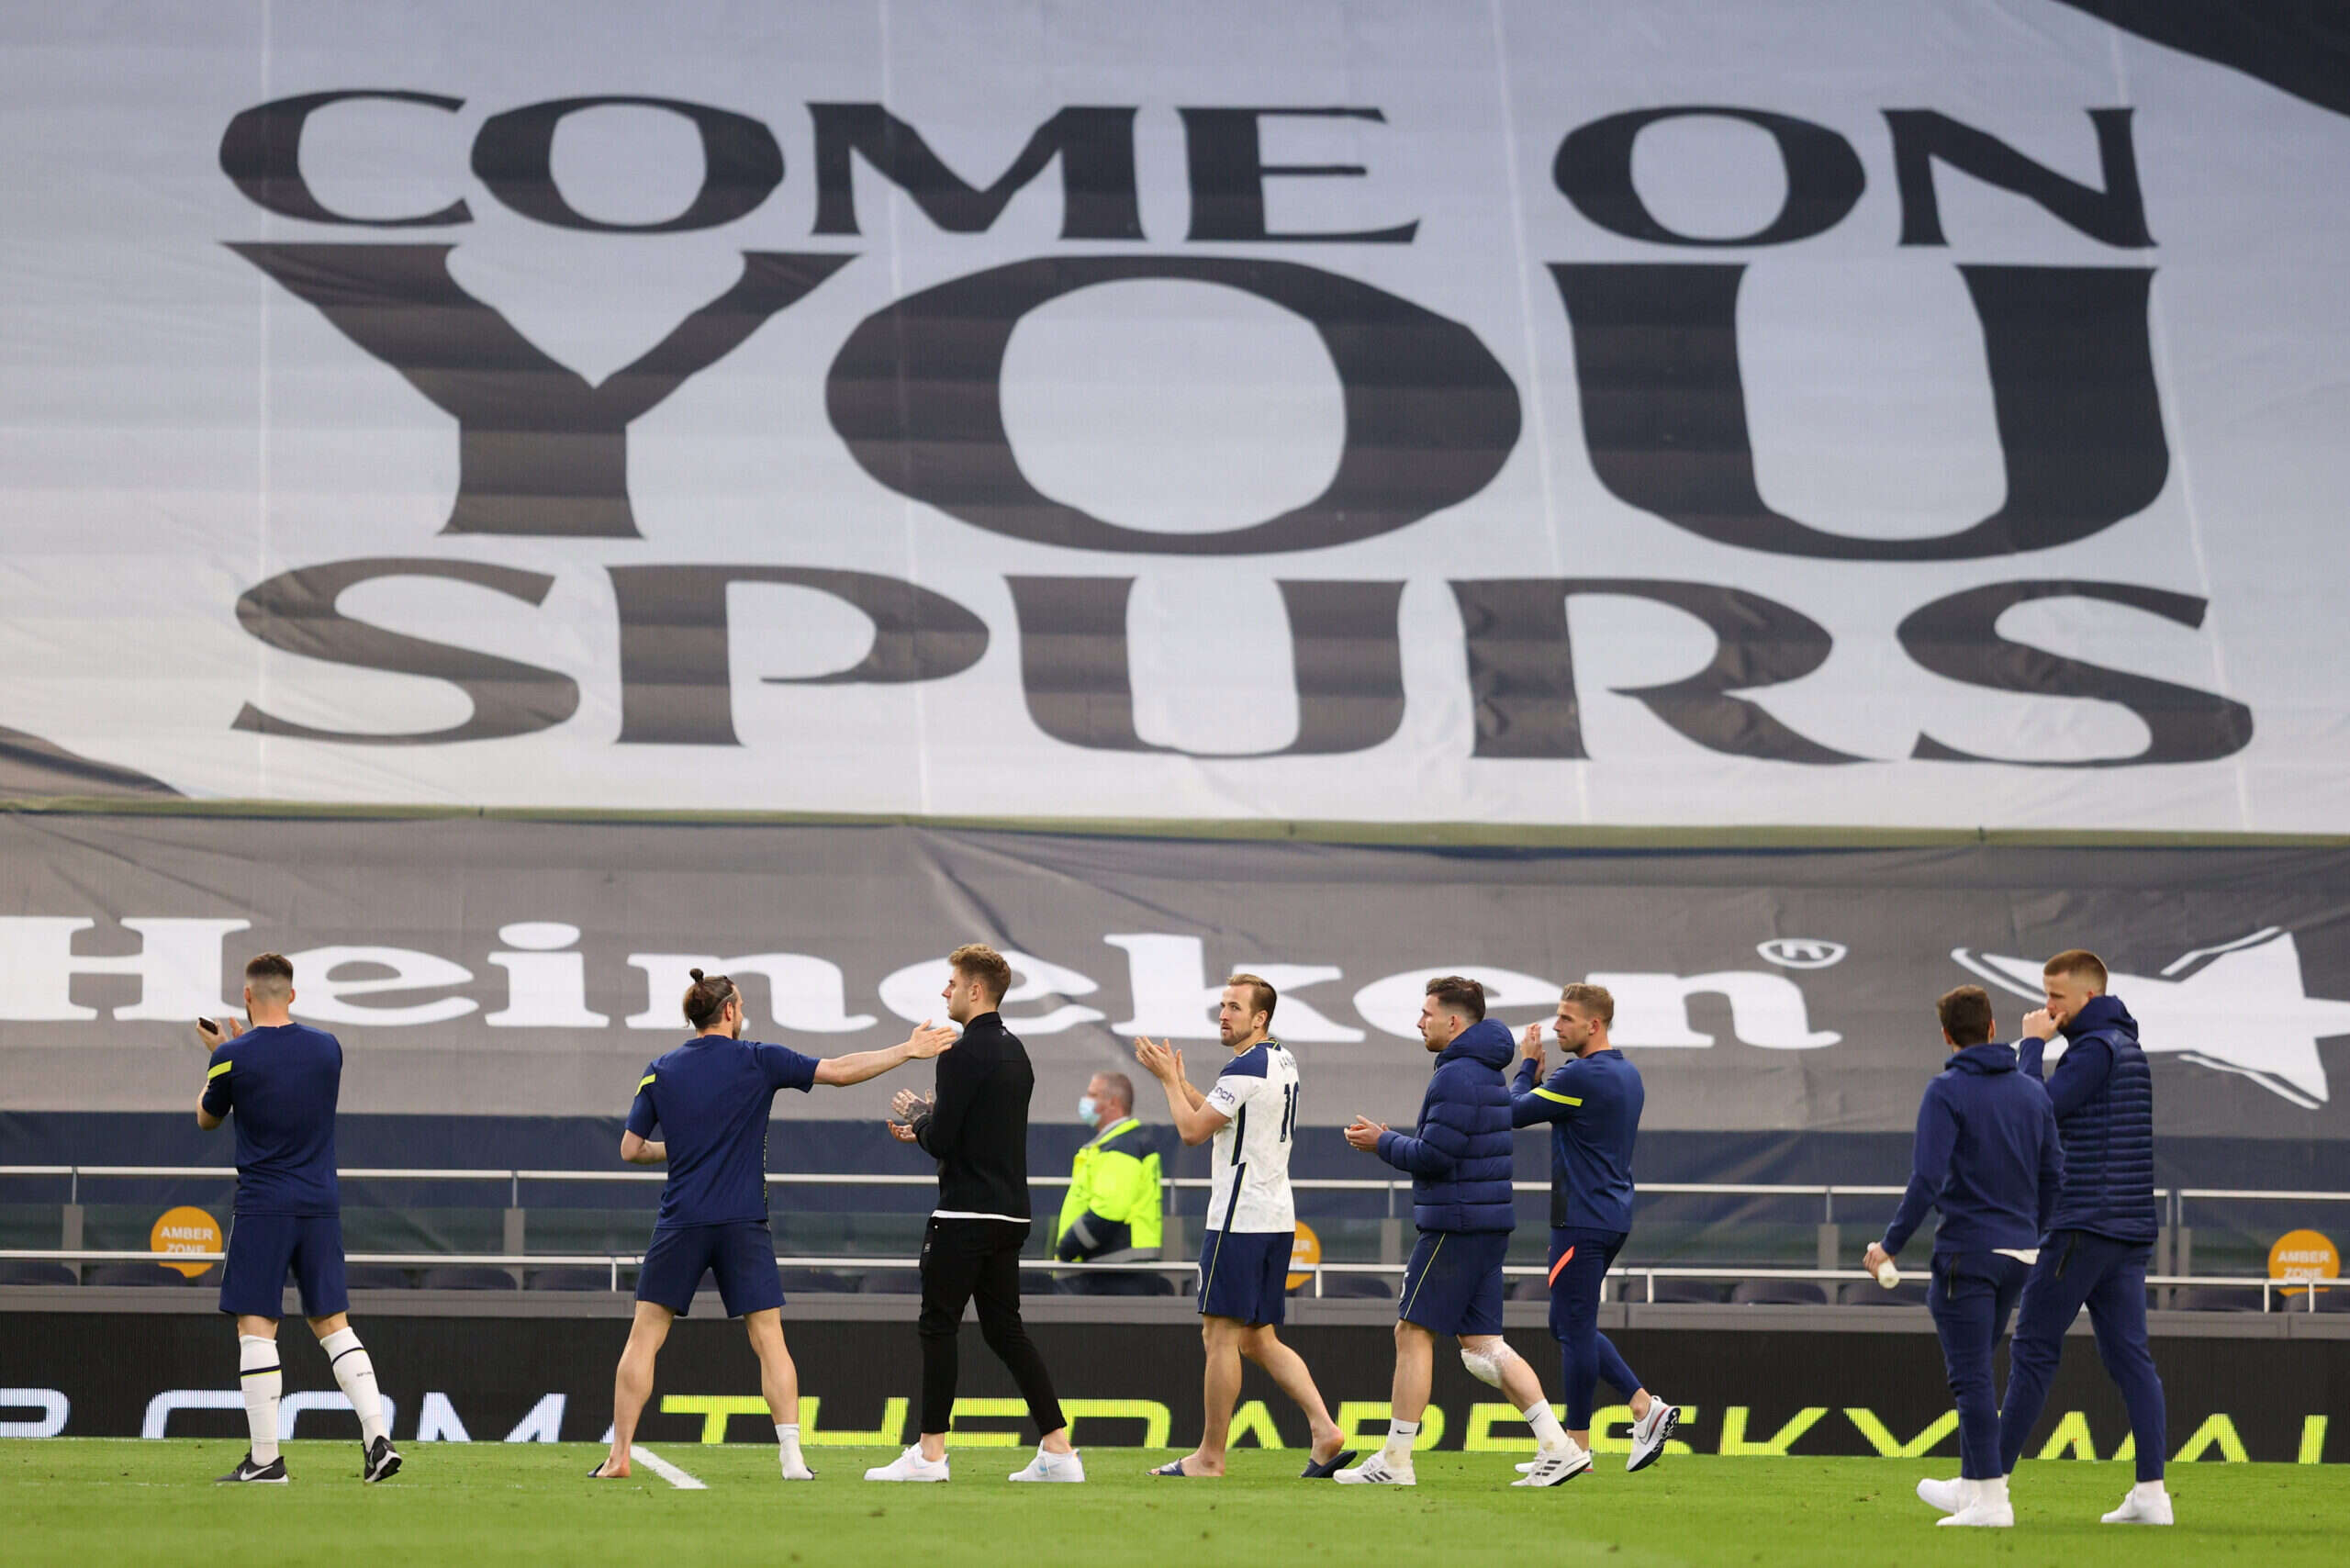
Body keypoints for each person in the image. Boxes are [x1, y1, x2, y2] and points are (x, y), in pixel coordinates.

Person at [592, 969, 954, 1482]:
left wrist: (679, 1150)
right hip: (743, 1221)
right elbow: (840, 1071)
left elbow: (631, 1149)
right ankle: (791, 1459)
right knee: (769, 1339)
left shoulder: (660, 1070)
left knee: (645, 1337)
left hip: (682, 1220)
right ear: (731, 1012)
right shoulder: (759, 1058)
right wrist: (908, 1050)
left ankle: (619, 1455)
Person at [1337, 976, 1588, 1487]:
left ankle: (1395, 1461)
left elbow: (1435, 1155)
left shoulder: (1456, 1076)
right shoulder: (1485, 1072)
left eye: (1426, 1013)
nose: (1418, 1021)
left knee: (1411, 1332)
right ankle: (1559, 1446)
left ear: (1454, 1021)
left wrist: (1382, 1142)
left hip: (1456, 1223)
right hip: (1486, 1222)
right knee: (1482, 1346)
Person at [871, 944, 1082, 1484]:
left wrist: (921, 1117)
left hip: (964, 1216)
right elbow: (980, 1129)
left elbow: (942, 1141)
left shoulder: (960, 1055)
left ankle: (930, 1455)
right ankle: (1059, 1452)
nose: (945, 991)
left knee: (938, 1327)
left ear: (974, 990)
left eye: (951, 983)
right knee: (1005, 1330)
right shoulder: (1017, 1052)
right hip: (1011, 1215)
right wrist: (935, 1118)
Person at [1133, 973, 1356, 1479]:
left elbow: (1192, 1131)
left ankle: (1210, 1456)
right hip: (1275, 1217)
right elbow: (1221, 1115)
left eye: (1235, 1006)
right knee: (1259, 1338)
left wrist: (1169, 1080)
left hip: (1238, 1220)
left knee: (1219, 1336)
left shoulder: (1246, 1067)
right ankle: (1325, 1429)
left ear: (1261, 1018)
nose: (1224, 1014)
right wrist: (1178, 1081)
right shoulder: (1280, 1059)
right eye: (1222, 1005)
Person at [195, 952, 400, 1485]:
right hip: (319, 1204)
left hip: (264, 1205)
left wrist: (220, 1054)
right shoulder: (327, 1049)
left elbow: (206, 1118)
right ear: (292, 994)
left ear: (246, 996)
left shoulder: (232, 1056)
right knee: (333, 1323)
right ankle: (377, 1438)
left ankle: (266, 1460)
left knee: (257, 1324)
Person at [1986, 949, 2173, 1526]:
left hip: (2083, 1224)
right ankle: (2151, 1495)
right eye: (2045, 997)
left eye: (2056, 999)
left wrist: (2031, 1046)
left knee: (2034, 1350)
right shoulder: (2127, 1047)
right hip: (2127, 1227)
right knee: (2130, 1359)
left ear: (2088, 997)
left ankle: (1986, 1485)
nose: (2046, 1008)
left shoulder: (2091, 1052)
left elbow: (2027, 1110)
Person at [1863, 985, 2062, 1529]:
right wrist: (2031, 1233)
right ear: (1994, 1027)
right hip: (2019, 1255)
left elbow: (1926, 1180)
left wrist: (1890, 1246)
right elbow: (2054, 1175)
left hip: (1967, 1254)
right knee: (1980, 1370)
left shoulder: (1945, 1090)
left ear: (1949, 1037)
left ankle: (1993, 1504)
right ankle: (1974, 1488)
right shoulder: (2031, 1092)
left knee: (1971, 1377)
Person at [1511, 983, 1680, 1474]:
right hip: (1608, 1214)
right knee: (1566, 1324)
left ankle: (1577, 1446)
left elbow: (1512, 1112)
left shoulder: (1582, 1075)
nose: (1558, 1026)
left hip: (1582, 1218)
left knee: (1574, 1328)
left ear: (1594, 1025)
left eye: (1566, 1019)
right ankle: (1639, 1409)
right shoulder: (1626, 1073)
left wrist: (1526, 1069)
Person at [1053, 1070, 1164, 1294]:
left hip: (1113, 1272)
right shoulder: (1121, 1143)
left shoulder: (1122, 1146)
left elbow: (1109, 1210)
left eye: (1092, 1095)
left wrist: (1068, 1248)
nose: (1085, 1100)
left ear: (1112, 1103)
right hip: (1114, 1268)